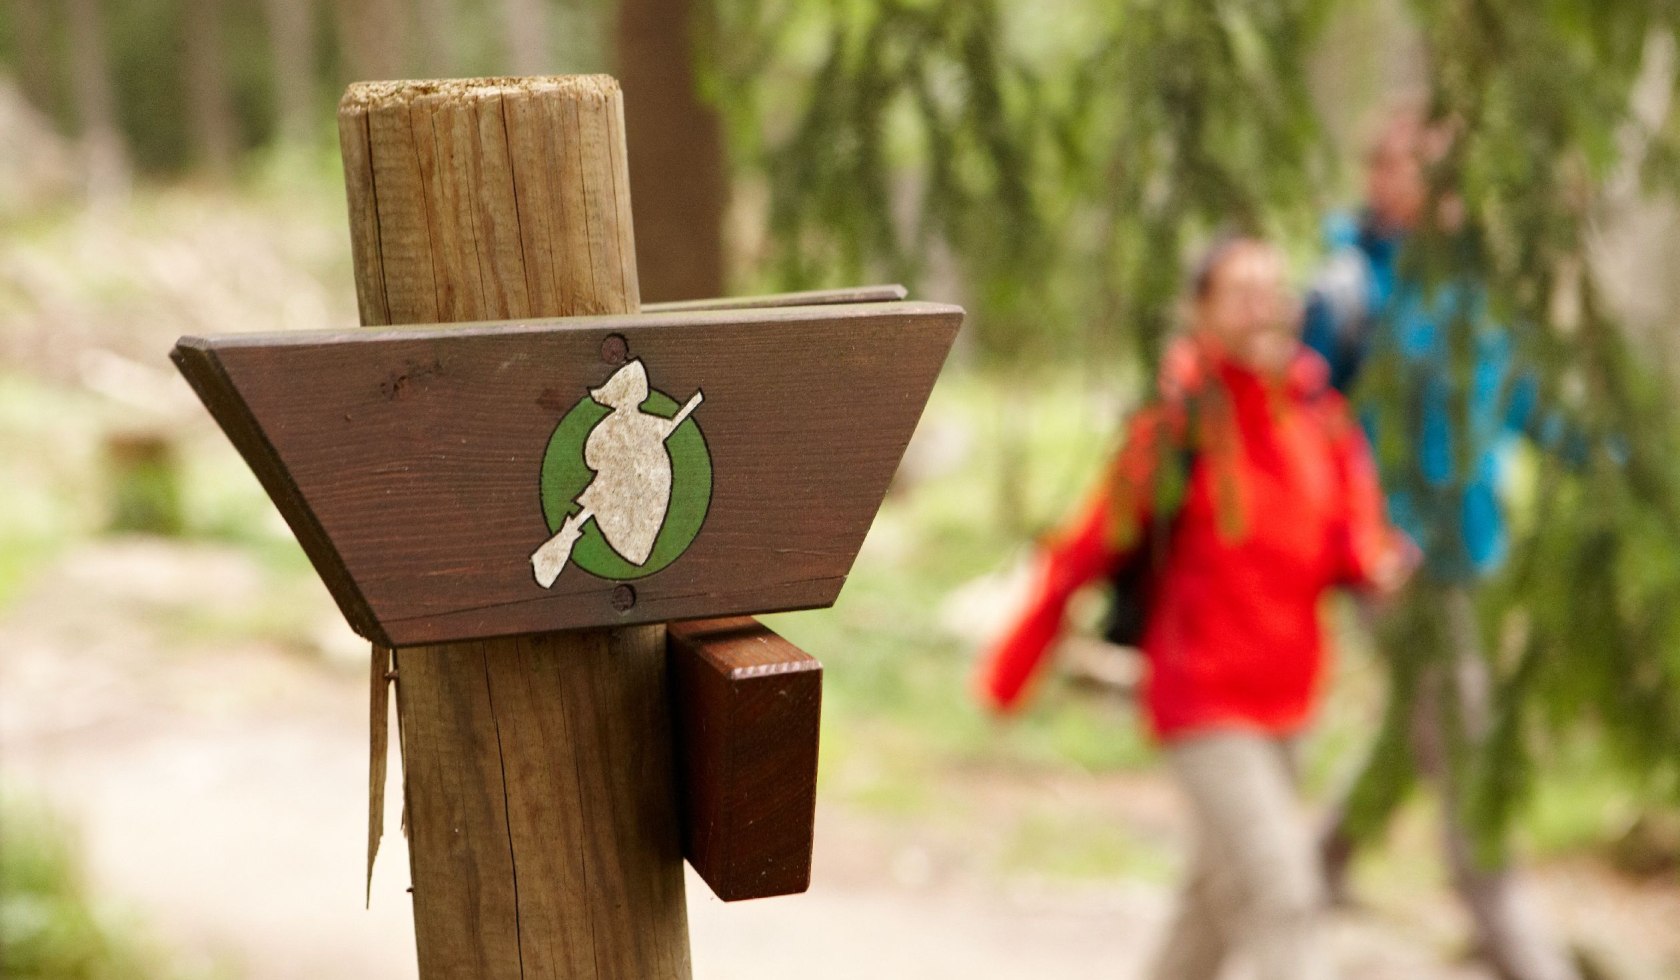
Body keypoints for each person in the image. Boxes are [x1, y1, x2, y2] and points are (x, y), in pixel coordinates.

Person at [977, 236, 1415, 980]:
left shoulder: (1319, 417)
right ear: (1201, 312)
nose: (1262, 309)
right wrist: (1013, 669)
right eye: (1239, 293)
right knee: (1285, 893)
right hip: (1203, 698)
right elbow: (1089, 546)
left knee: (1211, 906)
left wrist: (1378, 561)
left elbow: (1349, 535)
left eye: (1272, 291)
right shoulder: (1178, 428)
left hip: (1291, 695)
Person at [1302, 106, 1586, 980]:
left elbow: (1528, 401)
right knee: (1462, 734)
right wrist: (1373, 535)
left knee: (1415, 723)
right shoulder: (1347, 290)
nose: (1415, 183)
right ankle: (1513, 934)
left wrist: (1614, 463)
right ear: (1373, 177)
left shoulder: (1483, 288)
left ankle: (1314, 867)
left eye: (1432, 166)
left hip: (1470, 552)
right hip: (1390, 561)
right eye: (1398, 165)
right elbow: (1313, 431)